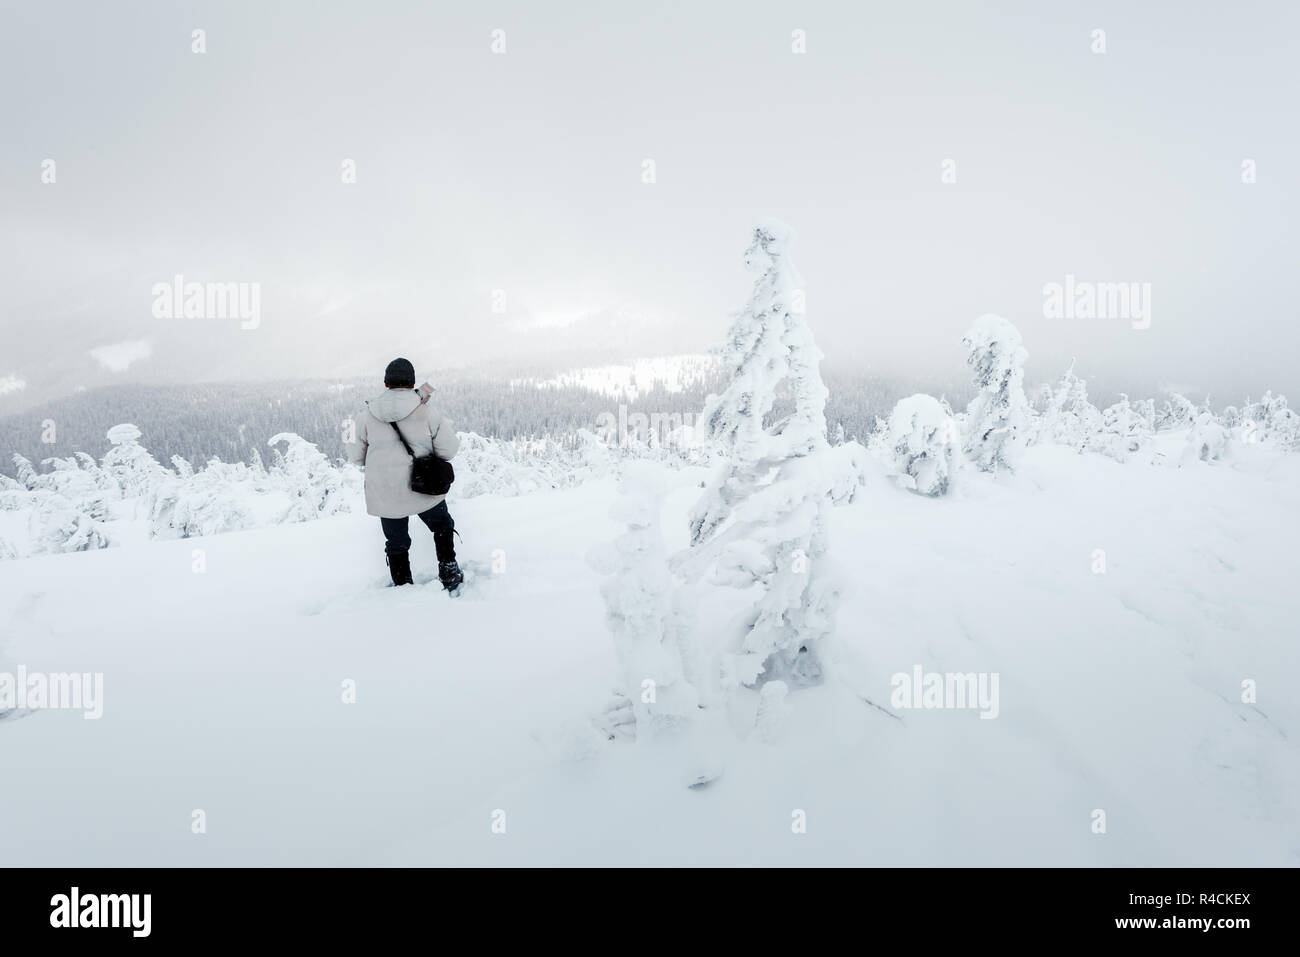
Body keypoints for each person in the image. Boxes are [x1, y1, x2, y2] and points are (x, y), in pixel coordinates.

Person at [347, 357, 463, 590]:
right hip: (423, 486)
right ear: (412, 383)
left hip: (385, 491)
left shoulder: (363, 417)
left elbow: (355, 457)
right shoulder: (428, 412)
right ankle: (449, 571)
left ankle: (402, 587)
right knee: (442, 526)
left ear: (386, 383)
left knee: (396, 542)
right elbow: (449, 450)